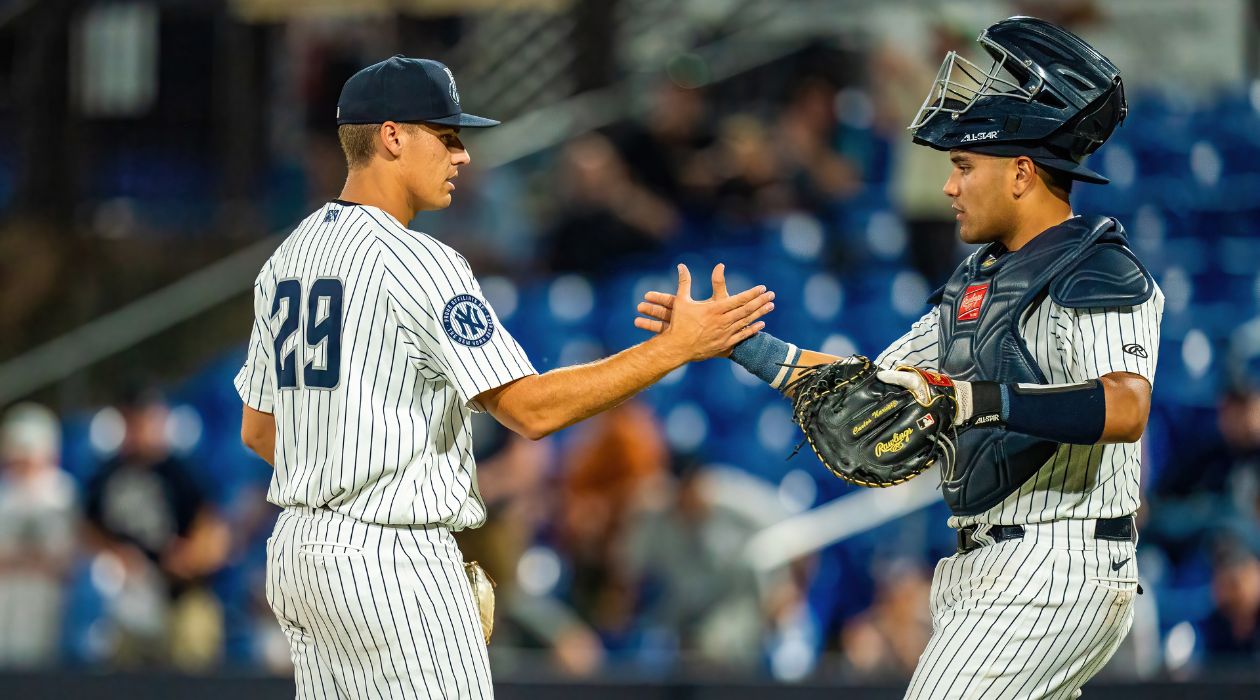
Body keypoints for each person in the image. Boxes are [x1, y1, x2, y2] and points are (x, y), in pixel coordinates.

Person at [637, 17, 1161, 698]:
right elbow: (877, 384)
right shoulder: (980, 281)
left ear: (1023, 174)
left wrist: (974, 400)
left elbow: (1126, 405)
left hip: (1056, 560)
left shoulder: (1097, 269)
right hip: (989, 565)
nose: (949, 186)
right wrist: (742, 343)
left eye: (964, 166)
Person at [234, 55, 774, 699]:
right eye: (447, 135)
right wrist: (675, 348)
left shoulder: (289, 255)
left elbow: (261, 431)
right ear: (392, 136)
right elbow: (532, 411)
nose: (462, 156)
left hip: (300, 555)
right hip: (391, 556)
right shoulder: (420, 261)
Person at [83, 385, 231, 667]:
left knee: (193, 639)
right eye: (131, 419)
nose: (138, 428)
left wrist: (191, 558)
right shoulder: (106, 476)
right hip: (130, 593)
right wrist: (116, 554)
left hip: (182, 593)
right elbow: (88, 528)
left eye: (144, 418)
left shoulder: (181, 471)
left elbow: (214, 529)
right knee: (115, 647)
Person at [0, 403, 77, 667]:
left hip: (49, 598)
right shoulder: (3, 494)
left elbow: (64, 558)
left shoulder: (63, 495)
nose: (23, 459)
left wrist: (21, 560)